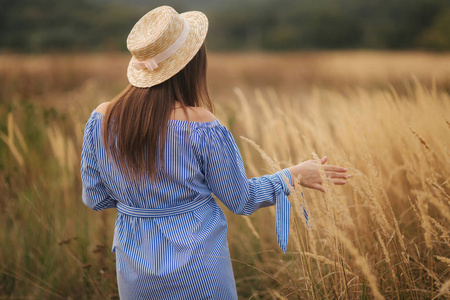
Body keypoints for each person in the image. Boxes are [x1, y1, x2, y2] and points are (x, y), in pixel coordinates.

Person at [80, 5, 349, 299]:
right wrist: (292, 175)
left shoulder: (101, 119)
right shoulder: (202, 126)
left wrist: (140, 204)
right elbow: (241, 200)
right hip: (199, 268)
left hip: (134, 274)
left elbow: (95, 198)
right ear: (193, 64)